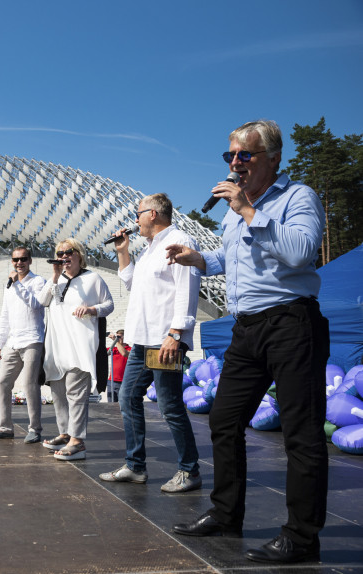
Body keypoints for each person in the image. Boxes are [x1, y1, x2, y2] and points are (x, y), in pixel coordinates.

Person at [166, 120, 329, 564]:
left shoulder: (297, 197)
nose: (235, 163)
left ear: (273, 159)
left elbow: (300, 252)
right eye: (230, 155)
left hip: (291, 323)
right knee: (224, 419)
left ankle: (302, 537)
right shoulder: (235, 212)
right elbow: (231, 256)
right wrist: (198, 258)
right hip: (247, 329)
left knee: (301, 432)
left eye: (244, 155)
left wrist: (249, 211)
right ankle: (226, 514)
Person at [99, 193, 202, 493]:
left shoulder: (179, 241)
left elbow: (187, 288)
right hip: (142, 341)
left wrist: (176, 333)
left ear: (153, 214)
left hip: (164, 339)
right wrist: (123, 252)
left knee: (169, 405)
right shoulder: (149, 249)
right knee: (128, 396)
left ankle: (190, 470)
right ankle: (135, 466)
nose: (135, 220)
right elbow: (133, 283)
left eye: (138, 214)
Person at [39, 239, 113, 460]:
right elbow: (42, 301)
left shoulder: (93, 279)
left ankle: (77, 441)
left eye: (68, 252)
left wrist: (91, 309)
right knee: (58, 392)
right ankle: (65, 434)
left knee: (76, 393)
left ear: (79, 254)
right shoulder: (57, 280)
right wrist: (54, 276)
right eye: (59, 253)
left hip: (80, 346)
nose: (64, 256)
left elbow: (109, 304)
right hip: (56, 347)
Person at [0, 247, 47, 443]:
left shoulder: (38, 281)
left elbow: (36, 304)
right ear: (12, 261)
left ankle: (34, 429)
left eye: (23, 259)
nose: (19, 263)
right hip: (13, 341)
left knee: (30, 384)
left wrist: (17, 284)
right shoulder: (9, 286)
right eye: (16, 259)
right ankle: (5, 427)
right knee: (3, 382)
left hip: (32, 340)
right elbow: (5, 315)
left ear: (30, 261)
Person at [106, 330, 130, 402]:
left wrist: (115, 340)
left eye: (119, 337)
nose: (118, 339)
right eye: (117, 337)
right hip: (111, 381)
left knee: (123, 404)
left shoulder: (130, 349)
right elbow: (100, 353)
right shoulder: (113, 349)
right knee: (111, 404)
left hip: (124, 382)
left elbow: (124, 353)